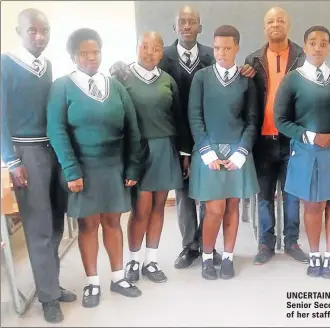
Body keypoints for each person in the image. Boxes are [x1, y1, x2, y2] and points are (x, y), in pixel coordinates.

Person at [111, 6, 255, 269]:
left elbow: (231, 78)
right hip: (177, 134)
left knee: (212, 199)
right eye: (182, 22)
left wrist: (246, 69)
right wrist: (117, 66)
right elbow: (138, 76)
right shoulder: (160, 56)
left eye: (192, 22)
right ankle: (190, 246)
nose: (187, 26)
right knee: (184, 196)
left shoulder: (212, 56)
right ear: (174, 27)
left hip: (209, 134)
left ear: (200, 27)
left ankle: (207, 246)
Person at [47, 28, 143, 308]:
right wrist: (70, 170)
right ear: (73, 56)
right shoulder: (62, 86)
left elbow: (133, 128)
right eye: (84, 53)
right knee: (88, 226)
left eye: (95, 52)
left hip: (114, 166)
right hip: (82, 169)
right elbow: (56, 129)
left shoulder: (115, 86)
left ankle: (118, 276)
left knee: (113, 223)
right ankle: (92, 282)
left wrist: (132, 167)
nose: (91, 58)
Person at [0, 8, 76, 323]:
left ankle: (51, 285)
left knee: (57, 221)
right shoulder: (5, 64)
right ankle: (47, 298)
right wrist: (11, 159)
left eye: (44, 31)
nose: (39, 36)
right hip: (26, 153)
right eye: (32, 31)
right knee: (38, 226)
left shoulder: (46, 67)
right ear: (19, 31)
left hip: (52, 150)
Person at [274, 26, 330, 279]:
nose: (318, 47)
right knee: (312, 205)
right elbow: (281, 120)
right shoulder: (293, 79)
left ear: (328, 47)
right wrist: (310, 136)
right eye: (312, 42)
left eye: (323, 43)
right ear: (305, 46)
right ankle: (316, 254)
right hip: (308, 149)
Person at [188, 25, 259, 280]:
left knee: (232, 207)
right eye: (217, 48)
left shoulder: (246, 80)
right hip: (209, 152)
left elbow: (252, 120)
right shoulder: (202, 77)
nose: (221, 53)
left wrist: (241, 151)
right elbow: (195, 116)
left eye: (227, 48)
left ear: (237, 48)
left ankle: (228, 257)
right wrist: (206, 150)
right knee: (214, 209)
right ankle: (207, 257)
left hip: (237, 151)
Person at [116, 32, 187, 283]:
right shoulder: (122, 77)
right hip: (137, 151)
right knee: (140, 209)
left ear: (162, 52)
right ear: (136, 47)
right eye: (144, 47)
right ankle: (133, 261)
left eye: (155, 48)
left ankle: (151, 261)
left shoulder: (168, 80)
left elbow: (178, 118)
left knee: (159, 207)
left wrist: (183, 154)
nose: (149, 53)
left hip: (164, 148)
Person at [244, 6, 309, 265]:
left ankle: (291, 241)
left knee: (292, 194)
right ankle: (265, 243)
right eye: (270, 21)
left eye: (280, 20)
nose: (275, 25)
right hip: (262, 139)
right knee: (264, 196)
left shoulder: (303, 58)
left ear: (288, 25)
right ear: (264, 27)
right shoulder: (253, 60)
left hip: (291, 139)